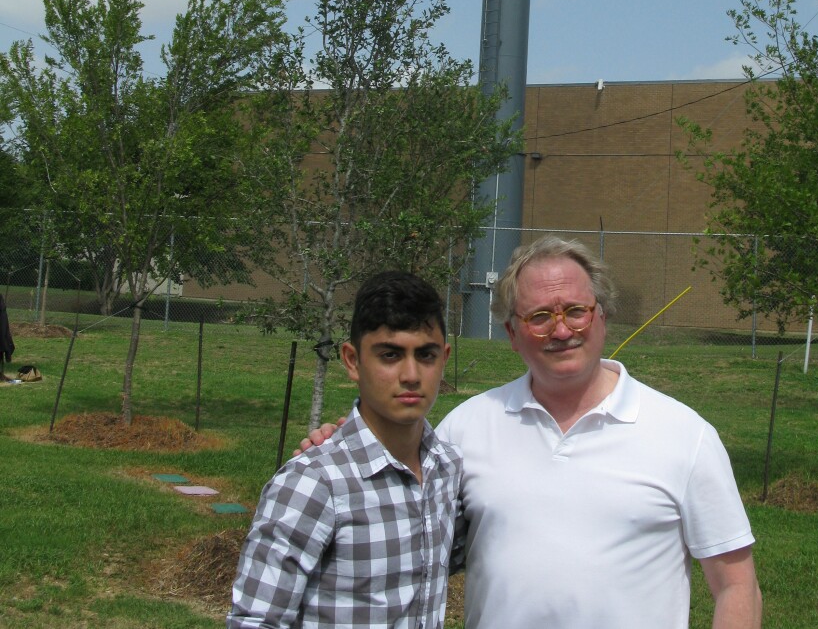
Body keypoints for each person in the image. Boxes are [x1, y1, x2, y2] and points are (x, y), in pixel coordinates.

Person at [302, 237, 762, 629]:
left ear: (601, 316)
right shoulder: (467, 426)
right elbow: (401, 512)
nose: (561, 330)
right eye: (539, 317)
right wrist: (339, 445)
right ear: (512, 333)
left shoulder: (683, 434)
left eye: (576, 311)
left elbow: (736, 584)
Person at [228, 270, 463, 629]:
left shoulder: (447, 469)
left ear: (444, 358)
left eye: (426, 355)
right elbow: (257, 620)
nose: (411, 375)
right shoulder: (313, 483)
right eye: (390, 355)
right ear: (352, 361)